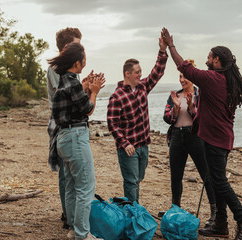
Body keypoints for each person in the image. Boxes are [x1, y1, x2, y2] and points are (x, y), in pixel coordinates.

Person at [161, 27, 242, 240]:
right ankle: (221, 224)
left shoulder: (213, 79)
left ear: (216, 60)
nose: (206, 59)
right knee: (216, 180)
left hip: (215, 139)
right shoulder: (227, 81)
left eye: (209, 57)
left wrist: (171, 46)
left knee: (219, 182)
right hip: (223, 137)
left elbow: (185, 67)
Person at [50, 42, 105, 240]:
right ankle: (82, 235)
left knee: (72, 187)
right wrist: (95, 91)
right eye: (83, 61)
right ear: (77, 63)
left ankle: (74, 229)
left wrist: (86, 86)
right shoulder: (72, 83)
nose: (85, 64)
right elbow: (87, 109)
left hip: (64, 138)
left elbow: (75, 100)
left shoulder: (65, 80)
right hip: (75, 137)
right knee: (86, 187)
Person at [107, 32, 168, 203]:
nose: (140, 75)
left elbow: (157, 72)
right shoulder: (117, 96)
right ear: (127, 74)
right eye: (137, 72)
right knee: (132, 181)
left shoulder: (142, 87)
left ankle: (128, 205)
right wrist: (124, 143)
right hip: (128, 148)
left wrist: (162, 50)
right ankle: (133, 213)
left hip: (143, 145)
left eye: (141, 72)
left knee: (137, 179)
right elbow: (112, 124)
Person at [163, 61, 216, 228]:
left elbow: (205, 119)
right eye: (180, 77)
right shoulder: (175, 96)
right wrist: (176, 109)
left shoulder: (201, 95)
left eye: (185, 76)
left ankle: (215, 212)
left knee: (206, 174)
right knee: (175, 176)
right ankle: (175, 209)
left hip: (196, 137)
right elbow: (166, 118)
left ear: (192, 77)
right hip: (177, 137)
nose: (182, 80)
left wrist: (192, 107)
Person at [47, 27, 82, 229]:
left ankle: (69, 212)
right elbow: (69, 96)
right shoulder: (56, 69)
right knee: (64, 173)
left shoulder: (69, 69)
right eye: (76, 44)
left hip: (69, 122)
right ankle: (68, 215)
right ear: (67, 46)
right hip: (61, 123)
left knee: (70, 172)